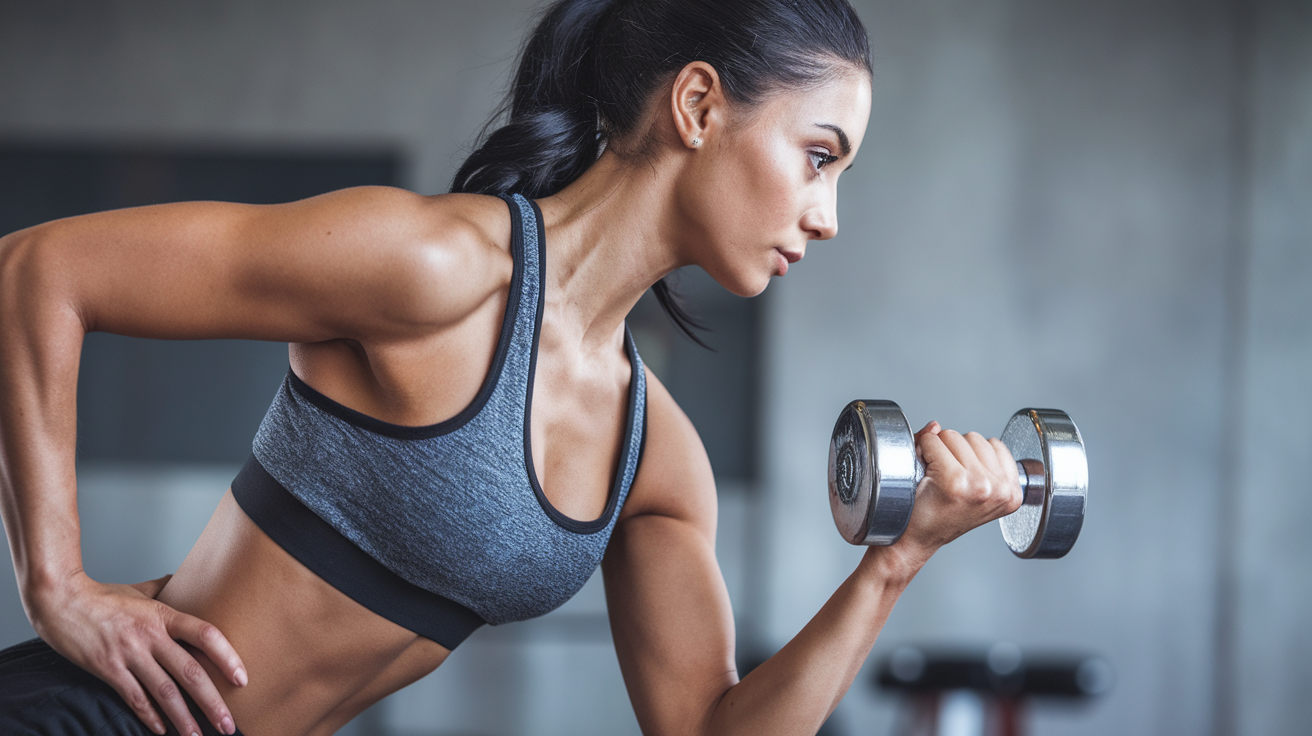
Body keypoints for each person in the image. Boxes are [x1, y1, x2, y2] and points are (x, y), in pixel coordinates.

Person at [0, 0, 1024, 734]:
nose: (827, 215)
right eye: (818, 154)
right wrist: (59, 588)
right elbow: (38, 270)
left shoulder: (654, 452)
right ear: (701, 106)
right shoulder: (440, 267)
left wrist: (894, 562)